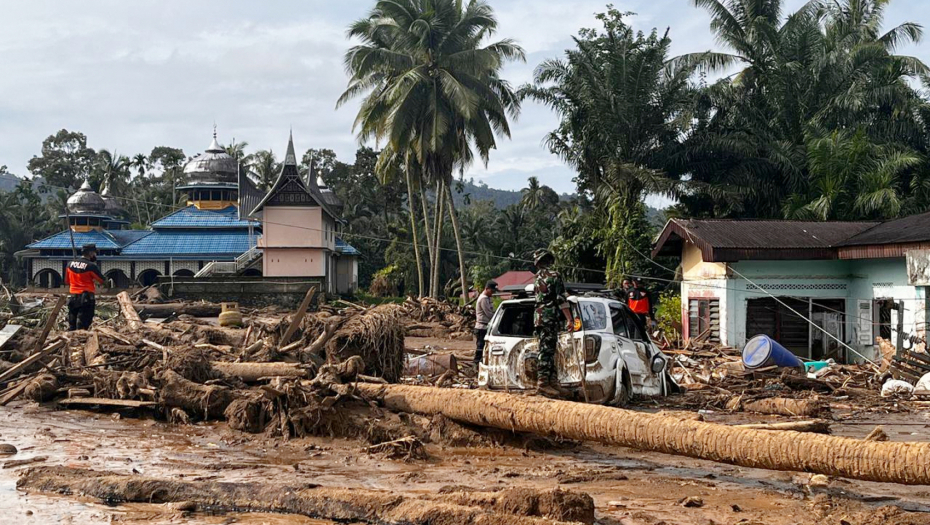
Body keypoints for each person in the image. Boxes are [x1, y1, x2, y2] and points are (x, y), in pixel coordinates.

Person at [532, 248, 573, 397]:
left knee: (549, 349)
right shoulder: (554, 276)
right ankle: (543, 383)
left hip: (540, 317)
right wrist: (569, 319)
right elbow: (561, 299)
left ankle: (552, 381)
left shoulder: (537, 277)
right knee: (547, 350)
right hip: (549, 317)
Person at [65, 243, 105, 331]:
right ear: (90, 253)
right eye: (94, 253)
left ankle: (72, 338)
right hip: (86, 298)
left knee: (72, 324)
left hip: (73, 297)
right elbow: (102, 280)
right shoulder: (91, 266)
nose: (95, 255)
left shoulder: (69, 264)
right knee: (83, 324)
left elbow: (67, 281)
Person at [473, 280, 498, 365]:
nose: (493, 293)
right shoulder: (483, 299)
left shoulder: (487, 298)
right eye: (492, 291)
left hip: (485, 326)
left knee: (484, 348)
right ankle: (476, 364)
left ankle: (480, 363)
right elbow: (489, 314)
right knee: (480, 348)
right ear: (487, 289)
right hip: (481, 327)